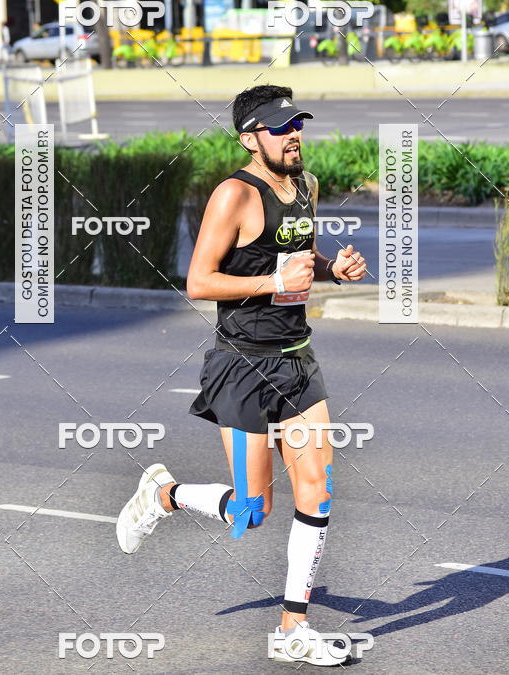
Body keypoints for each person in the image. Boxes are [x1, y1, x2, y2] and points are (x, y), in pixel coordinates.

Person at [117, 84, 368, 666]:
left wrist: (335, 269)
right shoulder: (233, 195)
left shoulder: (306, 186)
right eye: (281, 127)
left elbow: (296, 258)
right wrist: (274, 286)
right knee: (254, 511)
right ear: (250, 138)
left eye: (297, 123)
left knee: (318, 489)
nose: (294, 135)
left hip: (297, 358)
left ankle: (292, 630)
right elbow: (200, 282)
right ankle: (163, 495)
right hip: (243, 363)